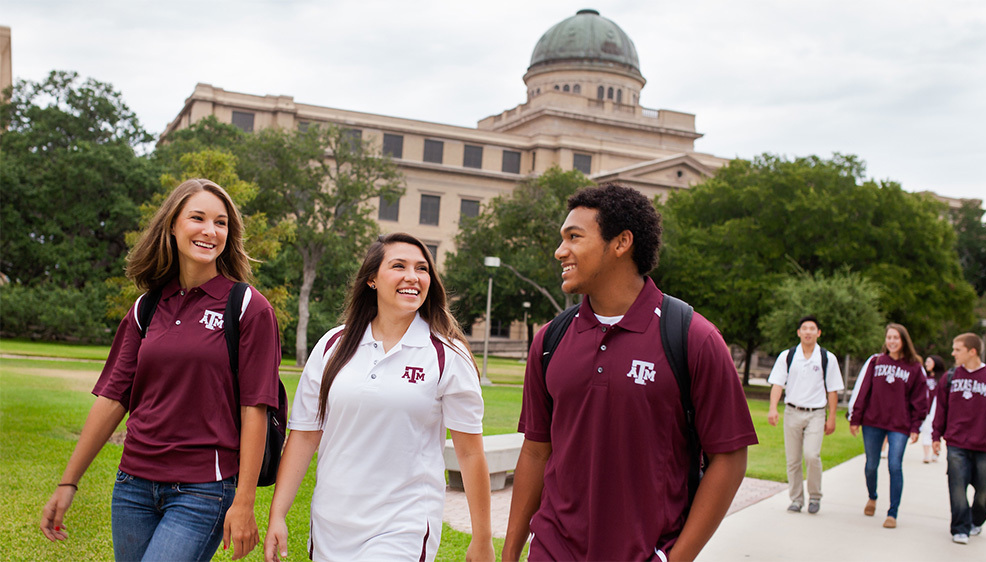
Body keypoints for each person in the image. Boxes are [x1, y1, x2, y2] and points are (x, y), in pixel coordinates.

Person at [501, 183, 758, 562]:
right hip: (552, 551)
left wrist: (676, 558)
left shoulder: (692, 337)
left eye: (574, 237)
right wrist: (509, 554)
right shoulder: (550, 339)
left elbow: (730, 458)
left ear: (621, 242)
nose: (560, 251)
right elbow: (537, 452)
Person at [39, 178, 282, 561]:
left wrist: (245, 501)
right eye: (197, 218)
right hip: (132, 486)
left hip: (203, 489)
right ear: (172, 225)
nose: (209, 230)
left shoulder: (248, 307)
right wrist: (69, 481)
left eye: (221, 223)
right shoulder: (147, 307)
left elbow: (256, 407)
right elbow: (114, 398)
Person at [263, 233, 493, 562]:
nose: (412, 277)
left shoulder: (446, 355)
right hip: (331, 523)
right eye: (398, 266)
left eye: (422, 269)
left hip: (403, 525)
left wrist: (482, 537)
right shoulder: (333, 346)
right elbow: (304, 436)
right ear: (371, 279)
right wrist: (277, 515)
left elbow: (470, 453)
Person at [850, 323, 929, 529]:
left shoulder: (914, 368)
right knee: (871, 465)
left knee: (895, 465)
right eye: (889, 337)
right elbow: (864, 391)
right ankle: (872, 496)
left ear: (904, 341)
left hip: (899, 425)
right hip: (873, 422)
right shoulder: (876, 362)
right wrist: (855, 418)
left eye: (896, 338)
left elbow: (919, 400)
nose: (892, 341)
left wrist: (915, 426)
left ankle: (892, 512)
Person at [767, 315, 844, 514]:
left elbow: (833, 390)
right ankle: (796, 499)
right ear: (798, 332)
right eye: (804, 328)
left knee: (811, 455)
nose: (808, 332)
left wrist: (832, 417)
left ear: (818, 333)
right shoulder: (788, 356)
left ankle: (815, 497)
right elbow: (777, 383)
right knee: (793, 459)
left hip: (816, 414)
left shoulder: (827, 358)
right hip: (792, 411)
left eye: (812, 328)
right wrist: (773, 408)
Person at [932, 333, 986, 545]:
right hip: (956, 443)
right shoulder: (950, 377)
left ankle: (976, 520)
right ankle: (959, 528)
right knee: (957, 487)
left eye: (957, 349)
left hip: (984, 445)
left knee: (984, 492)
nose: (953, 353)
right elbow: (941, 409)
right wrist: (936, 436)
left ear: (972, 351)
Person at [920, 355, 946, 463]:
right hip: (927, 409)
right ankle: (926, 455)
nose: (926, 364)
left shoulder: (943, 378)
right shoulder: (925, 378)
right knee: (926, 430)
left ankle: (935, 452)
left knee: (935, 430)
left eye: (929, 362)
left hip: (937, 409)